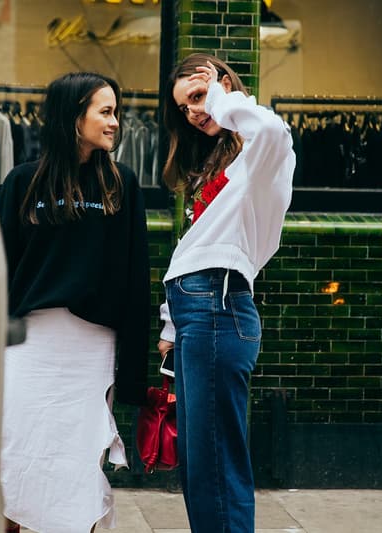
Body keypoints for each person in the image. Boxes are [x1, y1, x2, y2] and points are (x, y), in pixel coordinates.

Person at [0, 72, 151, 533]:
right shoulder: (22, 181)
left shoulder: (121, 185)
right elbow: (2, 271)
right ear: (73, 115)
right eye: (105, 111)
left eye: (116, 112)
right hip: (28, 348)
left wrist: (132, 382)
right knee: (15, 455)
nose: (116, 123)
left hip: (90, 350)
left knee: (79, 463)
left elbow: (134, 279)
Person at [156, 53, 296, 533]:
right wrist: (170, 325)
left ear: (222, 85)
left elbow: (275, 130)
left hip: (218, 307)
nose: (194, 112)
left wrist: (219, 98)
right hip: (197, 313)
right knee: (199, 466)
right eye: (186, 107)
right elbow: (193, 243)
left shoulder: (262, 154)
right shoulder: (217, 165)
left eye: (196, 97)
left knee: (217, 463)